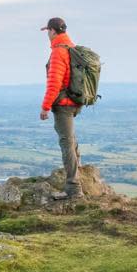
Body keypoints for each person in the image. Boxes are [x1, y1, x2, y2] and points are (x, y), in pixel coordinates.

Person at [39, 17, 82, 199]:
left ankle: (74, 188)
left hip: (64, 105)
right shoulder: (71, 47)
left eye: (48, 31)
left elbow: (54, 82)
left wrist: (45, 107)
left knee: (66, 143)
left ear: (53, 31)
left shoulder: (58, 52)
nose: (47, 34)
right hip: (75, 101)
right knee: (71, 140)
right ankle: (78, 174)